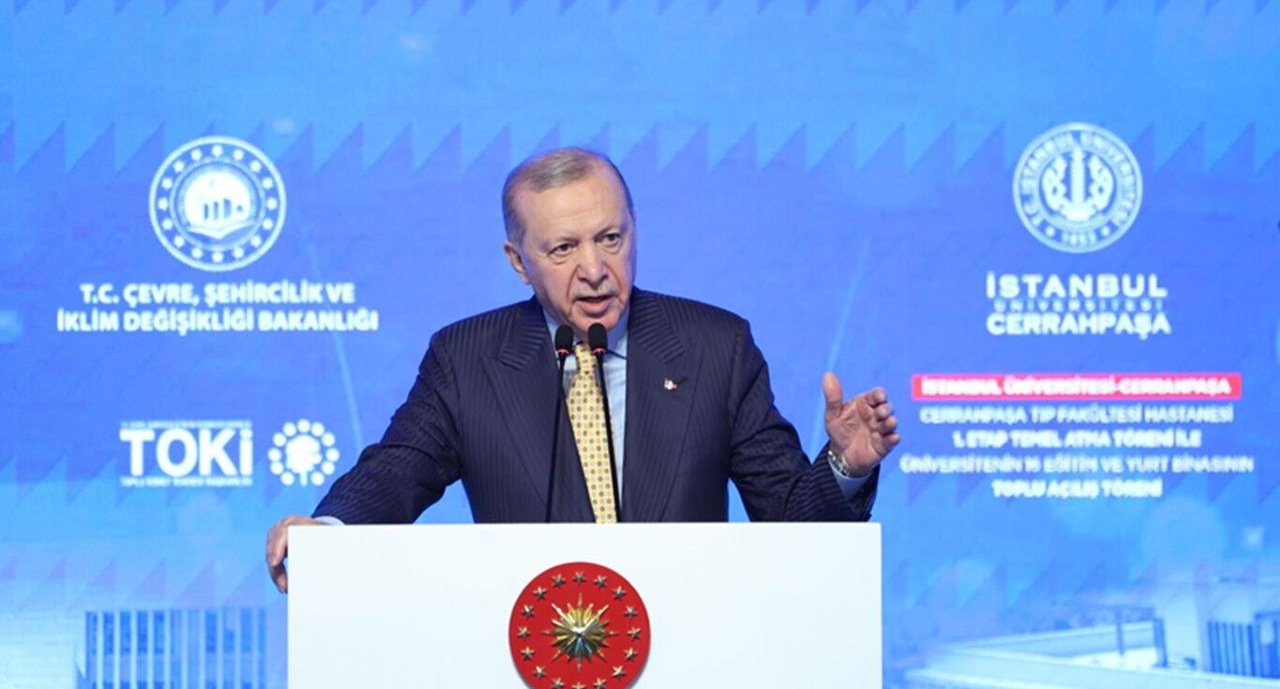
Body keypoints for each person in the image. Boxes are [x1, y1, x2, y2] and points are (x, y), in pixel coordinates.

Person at [266, 147, 899, 592]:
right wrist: (327, 534)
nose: (594, 270)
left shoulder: (715, 346)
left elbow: (791, 524)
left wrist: (844, 466)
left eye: (610, 239)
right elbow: (396, 471)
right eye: (564, 248)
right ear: (519, 261)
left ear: (634, 231)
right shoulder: (467, 359)